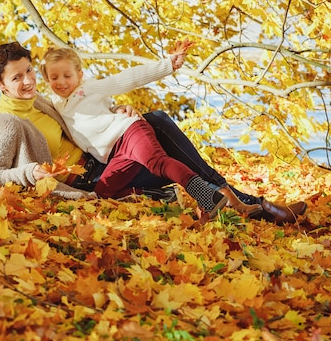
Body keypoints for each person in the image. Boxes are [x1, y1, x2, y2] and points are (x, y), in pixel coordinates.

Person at [0, 41, 307, 224]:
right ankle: (240, 203)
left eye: (30, 72)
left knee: (158, 127)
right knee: (162, 138)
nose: (28, 81)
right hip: (96, 177)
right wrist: (29, 172)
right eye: (17, 78)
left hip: (108, 157)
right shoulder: (7, 122)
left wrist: (117, 109)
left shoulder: (44, 100)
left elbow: (95, 103)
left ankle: (247, 205)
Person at [40, 46, 263, 216]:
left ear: (79, 75)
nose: (61, 82)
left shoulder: (88, 88)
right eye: (54, 77)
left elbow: (127, 79)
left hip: (129, 132)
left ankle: (209, 197)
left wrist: (168, 65)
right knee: (102, 194)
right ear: (46, 80)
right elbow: (31, 100)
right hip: (115, 155)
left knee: (158, 162)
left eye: (67, 75)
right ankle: (169, 197)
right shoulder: (56, 103)